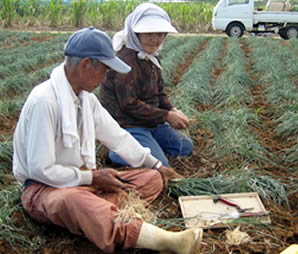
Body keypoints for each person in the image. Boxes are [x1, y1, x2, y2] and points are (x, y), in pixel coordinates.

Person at [13, 27, 201, 253]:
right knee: (73, 202)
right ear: (85, 65)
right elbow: (40, 170)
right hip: (46, 190)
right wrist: (91, 177)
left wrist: (158, 166)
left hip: (83, 183)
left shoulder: (86, 99)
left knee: (150, 179)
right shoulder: (45, 102)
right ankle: (162, 240)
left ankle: (94, 217)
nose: (105, 78)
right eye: (104, 70)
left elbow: (119, 137)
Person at [99, 3, 193, 168]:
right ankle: (116, 151)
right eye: (148, 33)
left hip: (150, 122)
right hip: (127, 124)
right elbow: (129, 105)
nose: (154, 40)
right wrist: (166, 116)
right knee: (160, 164)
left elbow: (159, 92)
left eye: (160, 34)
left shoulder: (151, 58)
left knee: (184, 147)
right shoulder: (126, 61)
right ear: (136, 34)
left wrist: (171, 109)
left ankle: (146, 144)